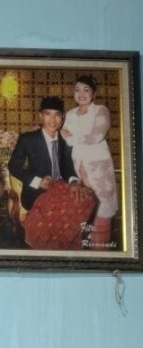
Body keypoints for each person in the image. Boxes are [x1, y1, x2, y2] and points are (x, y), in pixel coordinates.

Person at [61, 74, 118, 249]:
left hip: (99, 170)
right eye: (77, 90)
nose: (81, 94)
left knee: (101, 210)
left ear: (94, 93)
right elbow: (62, 135)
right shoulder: (70, 114)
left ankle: (100, 254)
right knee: (82, 212)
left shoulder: (100, 110)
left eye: (86, 90)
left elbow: (97, 136)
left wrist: (71, 139)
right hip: (78, 168)